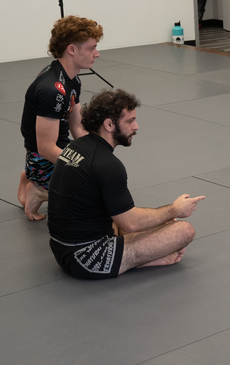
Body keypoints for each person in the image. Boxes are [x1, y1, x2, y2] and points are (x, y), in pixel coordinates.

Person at [47, 89, 204, 279]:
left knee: (154, 222)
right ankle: (142, 261)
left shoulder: (75, 146)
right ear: (109, 124)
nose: (136, 126)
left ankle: (140, 256)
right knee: (183, 231)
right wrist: (174, 209)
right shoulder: (107, 164)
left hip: (60, 249)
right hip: (88, 259)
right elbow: (130, 223)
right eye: (129, 121)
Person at [17, 15, 104, 221]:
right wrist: (83, 165)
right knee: (95, 199)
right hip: (43, 158)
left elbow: (78, 128)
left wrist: (97, 154)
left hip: (60, 148)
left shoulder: (73, 80)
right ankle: (38, 187)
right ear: (72, 49)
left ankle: (30, 176)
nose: (97, 54)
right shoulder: (51, 89)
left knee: (101, 176)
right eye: (92, 48)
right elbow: (46, 148)